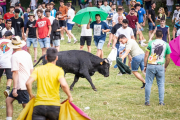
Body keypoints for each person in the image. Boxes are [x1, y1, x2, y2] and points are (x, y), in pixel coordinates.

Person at [26, 48, 73, 120]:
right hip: (54, 106)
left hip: (39, 105)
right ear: (56, 58)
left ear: (45, 57)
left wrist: (31, 95)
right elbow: (63, 85)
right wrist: (69, 96)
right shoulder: (59, 70)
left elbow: (28, 83)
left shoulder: (38, 69)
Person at [6, 36, 33, 120]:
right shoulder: (27, 54)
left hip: (20, 85)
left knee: (26, 107)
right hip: (26, 82)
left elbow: (15, 72)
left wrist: (14, 88)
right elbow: (31, 69)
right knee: (8, 100)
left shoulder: (15, 56)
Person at [144, 29, 171, 106]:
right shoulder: (166, 44)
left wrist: (145, 65)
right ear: (162, 36)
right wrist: (165, 66)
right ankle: (161, 102)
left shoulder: (150, 43)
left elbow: (146, 55)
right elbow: (168, 58)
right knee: (161, 84)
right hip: (160, 66)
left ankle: (147, 101)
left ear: (155, 35)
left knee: (148, 83)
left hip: (151, 65)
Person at [0, 31, 13, 98]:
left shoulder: (0, 41)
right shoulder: (11, 42)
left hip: (0, 61)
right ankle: (7, 89)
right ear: (10, 36)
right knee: (9, 77)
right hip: (8, 62)